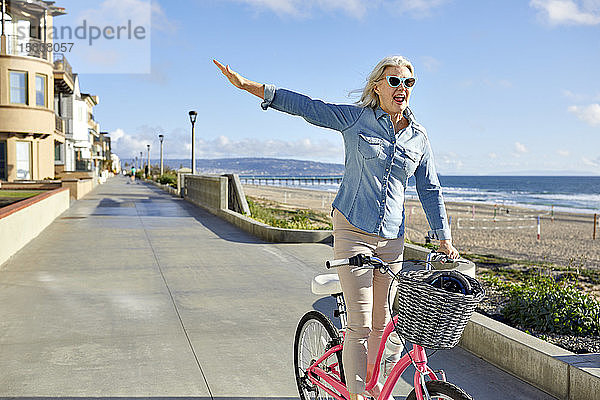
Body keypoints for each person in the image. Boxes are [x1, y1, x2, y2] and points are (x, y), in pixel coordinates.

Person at [215, 56, 459, 400]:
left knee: (384, 327)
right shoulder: (356, 119)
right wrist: (250, 87)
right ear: (378, 86)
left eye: (408, 83)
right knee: (359, 325)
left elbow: (430, 188)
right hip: (353, 231)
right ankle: (357, 396)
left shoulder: (418, 137)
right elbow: (308, 107)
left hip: (392, 239)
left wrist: (444, 238)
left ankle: (376, 390)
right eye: (394, 81)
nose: (401, 88)